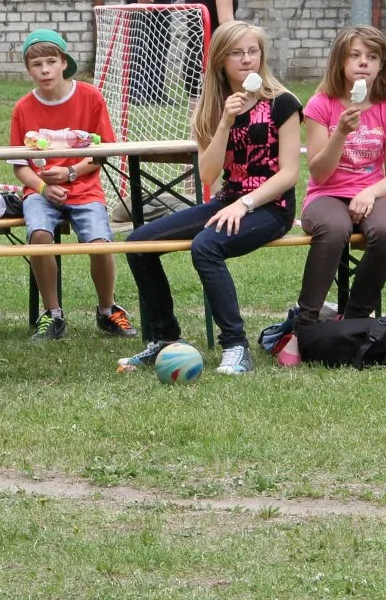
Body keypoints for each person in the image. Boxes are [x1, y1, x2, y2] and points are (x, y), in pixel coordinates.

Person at [119, 21, 302, 376]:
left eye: (253, 51)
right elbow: (207, 175)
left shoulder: (283, 102)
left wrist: (245, 204)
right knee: (138, 243)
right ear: (220, 60)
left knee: (206, 245)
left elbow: (288, 174)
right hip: (227, 199)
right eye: (237, 52)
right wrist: (225, 122)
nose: (247, 59)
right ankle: (165, 339)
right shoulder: (212, 105)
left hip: (270, 206)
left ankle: (236, 346)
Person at [8, 29, 131, 341]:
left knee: (100, 243)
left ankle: (107, 310)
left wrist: (71, 174)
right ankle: (53, 314)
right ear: (28, 70)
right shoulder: (23, 108)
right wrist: (42, 187)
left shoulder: (91, 97)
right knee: (38, 234)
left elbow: (103, 154)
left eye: (51, 61)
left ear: (64, 63)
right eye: (37, 64)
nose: (45, 70)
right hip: (41, 191)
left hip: (84, 188)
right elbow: (20, 167)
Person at [289, 25, 386, 337]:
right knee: (334, 229)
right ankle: (305, 324)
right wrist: (340, 132)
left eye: (372, 56)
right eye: (354, 56)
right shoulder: (321, 106)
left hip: (372, 194)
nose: (363, 63)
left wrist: (370, 192)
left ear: (382, 65)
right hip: (326, 196)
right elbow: (319, 173)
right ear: (340, 62)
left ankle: (354, 320)